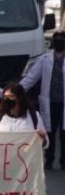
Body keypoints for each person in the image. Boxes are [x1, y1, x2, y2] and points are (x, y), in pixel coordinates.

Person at [19, 31, 65, 167]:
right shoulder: (44, 59)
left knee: (64, 133)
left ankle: (64, 161)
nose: (59, 41)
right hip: (49, 102)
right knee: (49, 132)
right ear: (52, 42)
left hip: (63, 102)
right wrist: (17, 90)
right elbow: (31, 78)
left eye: (62, 39)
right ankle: (49, 159)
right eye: (57, 39)